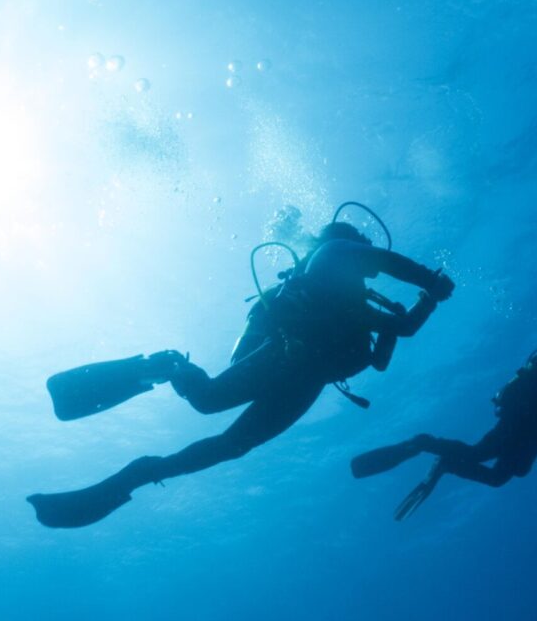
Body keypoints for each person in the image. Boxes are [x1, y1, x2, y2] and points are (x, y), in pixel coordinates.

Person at [28, 222, 456, 528]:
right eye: (360, 239)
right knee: (207, 400)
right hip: (287, 356)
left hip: (307, 381)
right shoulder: (334, 252)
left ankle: (141, 473)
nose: (364, 246)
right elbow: (383, 259)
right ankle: (162, 364)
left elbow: (393, 344)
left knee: (234, 446)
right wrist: (430, 281)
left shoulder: (359, 303)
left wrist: (424, 302)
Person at [351, 344, 537, 519]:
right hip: (518, 425)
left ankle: (446, 464)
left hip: (531, 436)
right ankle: (424, 443)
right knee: (478, 455)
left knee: (499, 477)